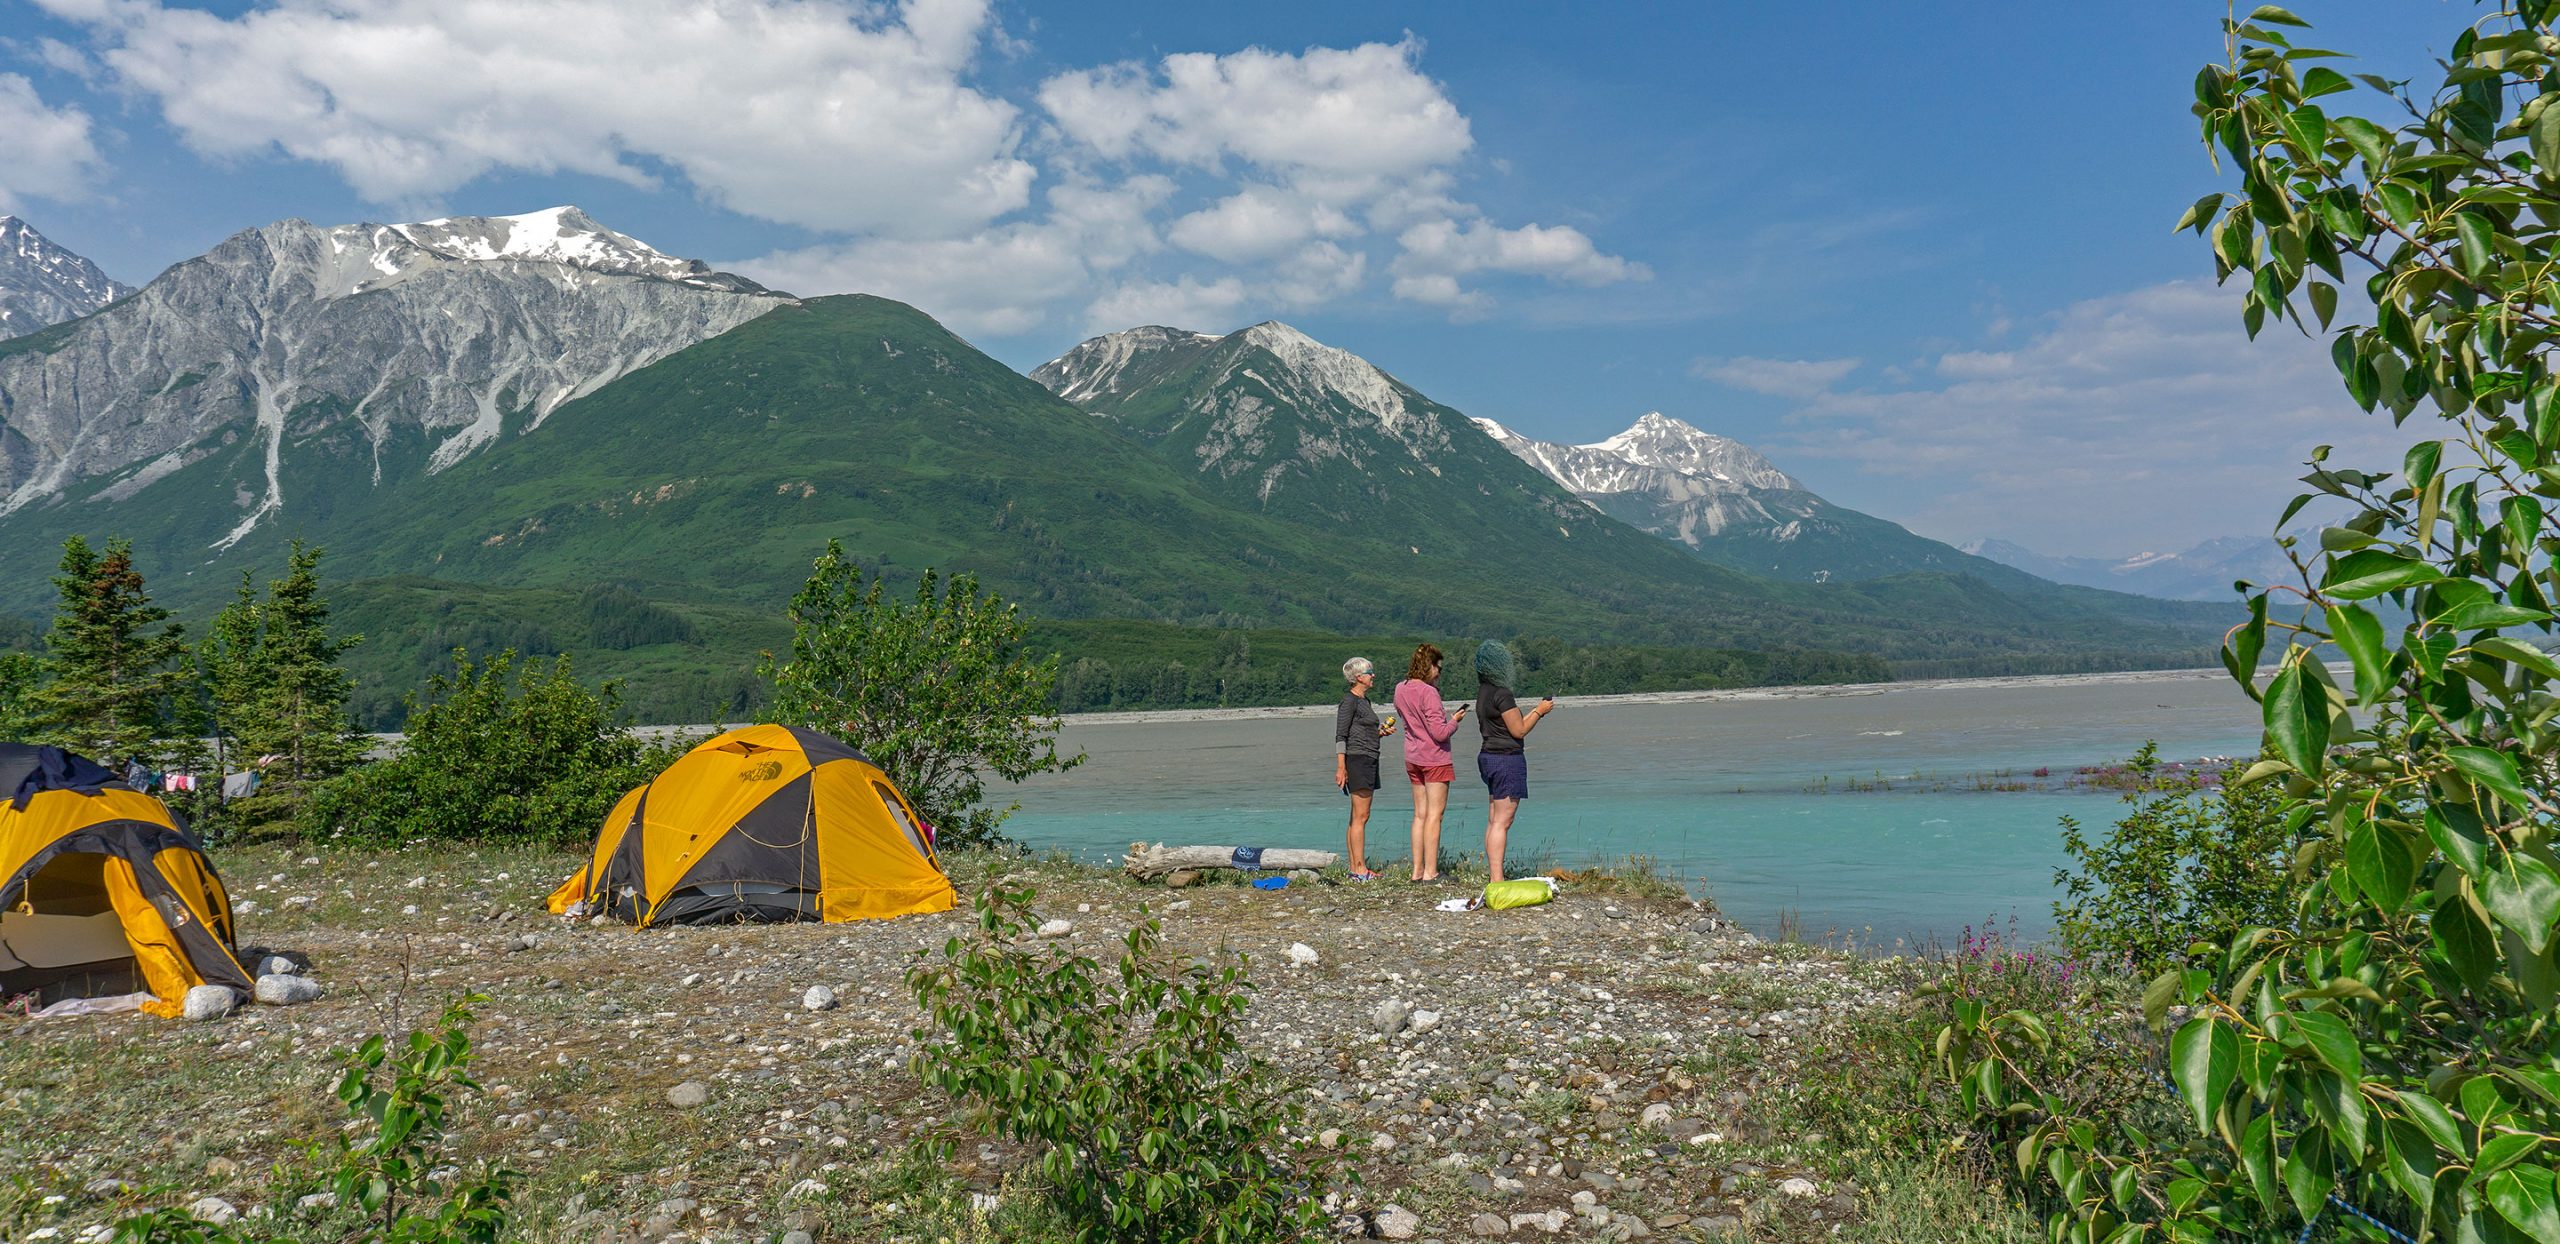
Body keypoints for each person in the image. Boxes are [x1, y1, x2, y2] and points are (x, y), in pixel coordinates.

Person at [1474, 640, 1555, 885]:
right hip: (1506, 760)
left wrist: (1535, 710)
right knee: (1503, 821)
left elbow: (1511, 725)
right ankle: (1497, 879)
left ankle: (1494, 875)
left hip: (1488, 756)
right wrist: (1540, 711)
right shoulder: (1502, 693)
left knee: (1494, 818)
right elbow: (1519, 730)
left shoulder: (1484, 693)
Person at [1393, 643, 1469, 883]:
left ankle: (1416, 871)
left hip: (1412, 756)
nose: (1439, 673)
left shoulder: (1400, 689)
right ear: (1430, 666)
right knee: (1435, 815)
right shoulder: (1429, 693)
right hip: (1434, 758)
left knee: (1420, 815)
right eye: (1439, 668)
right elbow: (1440, 733)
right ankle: (1431, 872)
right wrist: (1455, 720)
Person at [1333, 656, 1396, 880]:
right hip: (1358, 759)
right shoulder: (1349, 701)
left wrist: (1380, 732)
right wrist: (1341, 767)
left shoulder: (1364, 702)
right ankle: (1359, 869)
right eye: (1370, 672)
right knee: (1362, 815)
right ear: (1359, 677)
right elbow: (1341, 735)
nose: (1373, 675)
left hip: (1368, 756)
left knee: (1356, 816)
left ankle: (1355, 868)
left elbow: (1362, 731)